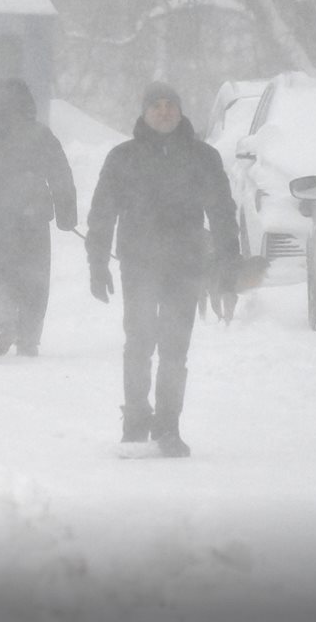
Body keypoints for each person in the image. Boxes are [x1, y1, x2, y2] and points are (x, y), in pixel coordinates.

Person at [85, 81, 239, 457]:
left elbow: (222, 210)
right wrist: (97, 262)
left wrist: (228, 258)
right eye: (156, 105)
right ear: (144, 112)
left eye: (171, 104)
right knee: (138, 343)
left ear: (181, 111)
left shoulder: (203, 157)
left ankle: (169, 426)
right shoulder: (123, 158)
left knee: (174, 348)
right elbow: (102, 212)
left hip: (185, 265)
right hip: (138, 265)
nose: (164, 111)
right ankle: (135, 421)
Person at [0, 78, 77, 357]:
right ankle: (30, 337)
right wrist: (66, 214)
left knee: (2, 273)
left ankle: (6, 324)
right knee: (36, 277)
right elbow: (60, 174)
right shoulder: (40, 135)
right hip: (34, 215)